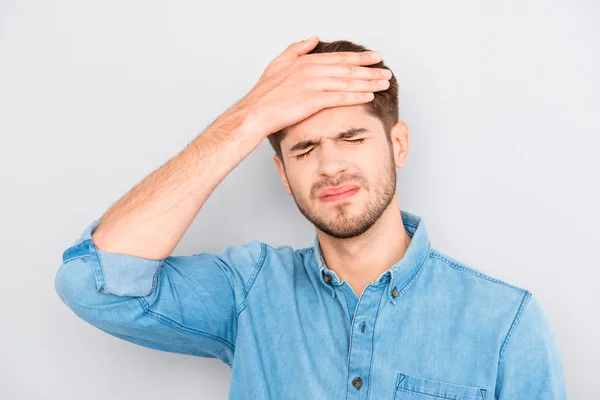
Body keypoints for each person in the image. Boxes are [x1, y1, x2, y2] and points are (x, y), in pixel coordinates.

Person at [55, 36, 567, 399]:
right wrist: (250, 116)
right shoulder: (251, 291)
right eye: (304, 150)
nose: (330, 166)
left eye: (352, 138)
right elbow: (92, 281)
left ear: (398, 143)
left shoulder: (505, 322)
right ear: (283, 174)